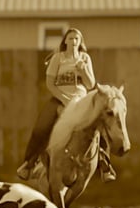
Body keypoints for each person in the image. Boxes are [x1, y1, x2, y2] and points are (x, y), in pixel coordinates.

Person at [16, 27, 117, 182]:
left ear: (80, 42)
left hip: (82, 100)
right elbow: (50, 83)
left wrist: (83, 71)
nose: (74, 41)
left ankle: (105, 165)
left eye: (77, 39)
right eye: (70, 38)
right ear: (65, 41)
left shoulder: (85, 58)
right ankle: (29, 163)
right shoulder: (58, 58)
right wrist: (63, 99)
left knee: (100, 121)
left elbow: (90, 85)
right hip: (60, 98)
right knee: (41, 127)